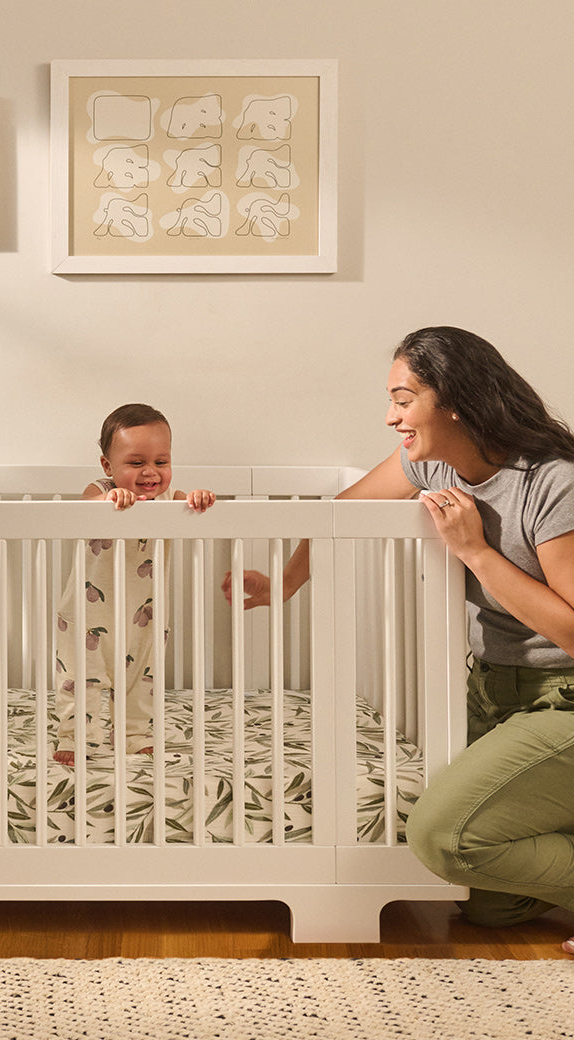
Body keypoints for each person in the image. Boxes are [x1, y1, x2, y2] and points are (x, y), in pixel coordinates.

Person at [223, 326, 574, 953]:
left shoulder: (550, 481)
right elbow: (343, 512)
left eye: (403, 399)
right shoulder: (430, 461)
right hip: (495, 690)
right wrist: (283, 584)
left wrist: (477, 553)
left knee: (446, 838)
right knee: (490, 904)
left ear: (456, 400)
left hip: (564, 694)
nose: (390, 417)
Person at [54, 403, 215, 767]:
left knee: (143, 675)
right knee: (82, 677)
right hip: (86, 612)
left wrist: (199, 498)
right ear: (108, 466)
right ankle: (76, 736)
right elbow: (87, 506)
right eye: (136, 462)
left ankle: (136, 735)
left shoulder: (169, 500)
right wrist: (108, 499)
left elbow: (189, 504)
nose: (150, 473)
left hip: (144, 612)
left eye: (161, 462)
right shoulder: (100, 491)